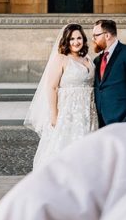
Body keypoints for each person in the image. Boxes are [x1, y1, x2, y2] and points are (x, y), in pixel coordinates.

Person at [24, 24, 98, 169]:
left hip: (88, 111)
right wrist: (54, 114)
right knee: (66, 146)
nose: (76, 42)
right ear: (66, 41)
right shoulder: (61, 59)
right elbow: (51, 87)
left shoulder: (87, 58)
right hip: (69, 111)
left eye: (78, 38)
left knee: (87, 147)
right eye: (71, 39)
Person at [91, 18, 126, 127]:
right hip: (102, 120)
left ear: (107, 35)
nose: (93, 39)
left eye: (96, 35)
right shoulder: (97, 60)